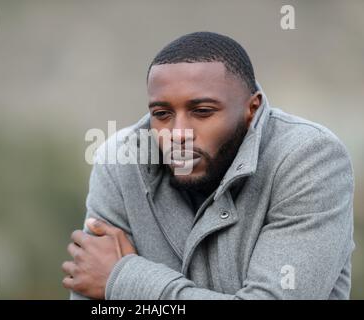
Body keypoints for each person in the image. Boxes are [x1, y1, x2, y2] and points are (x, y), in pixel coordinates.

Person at [62, 31, 355, 300]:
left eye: (202, 112)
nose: (178, 134)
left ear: (251, 109)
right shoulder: (120, 162)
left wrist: (123, 279)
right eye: (162, 113)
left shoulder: (309, 158)